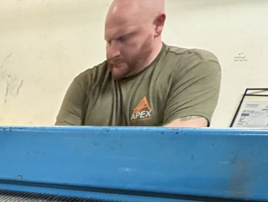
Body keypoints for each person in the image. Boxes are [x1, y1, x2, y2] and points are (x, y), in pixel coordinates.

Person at [55, 0, 220, 127]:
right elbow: (59, 151)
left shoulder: (192, 67)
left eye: (123, 38)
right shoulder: (86, 84)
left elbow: (177, 146)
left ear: (158, 25)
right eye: (108, 41)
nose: (112, 53)